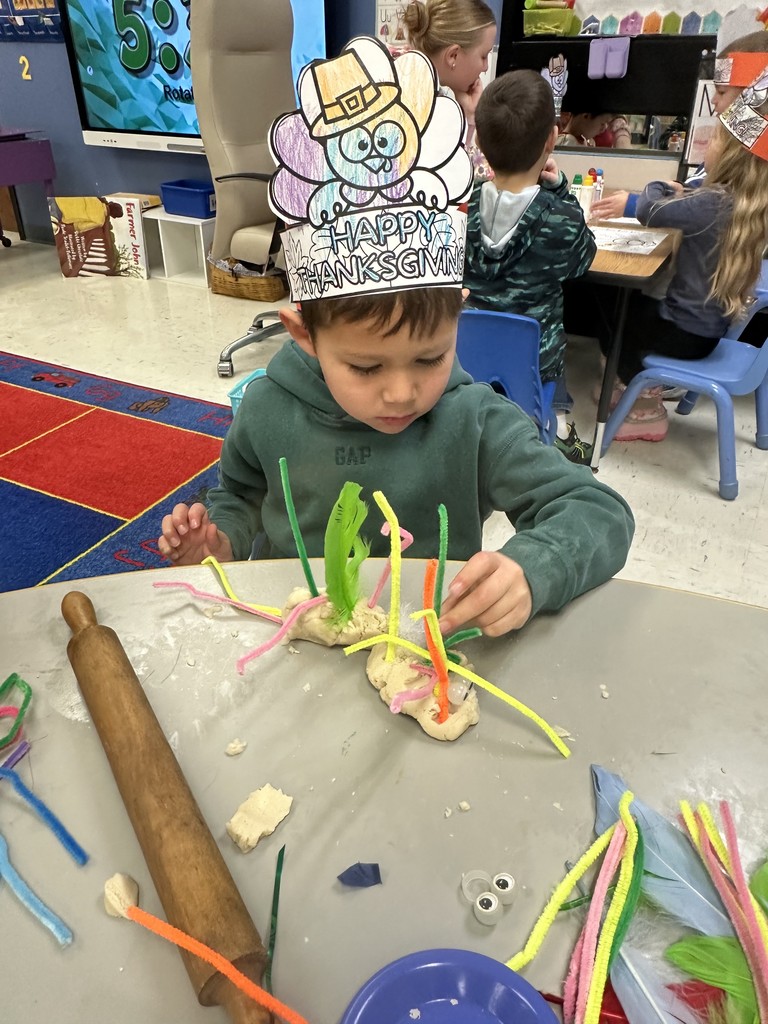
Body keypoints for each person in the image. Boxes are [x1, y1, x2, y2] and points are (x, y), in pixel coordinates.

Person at [158, 33, 633, 639]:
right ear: (303, 335)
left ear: (458, 317)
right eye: (366, 367)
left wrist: (533, 568)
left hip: (423, 662)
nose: (403, 393)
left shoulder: (475, 422)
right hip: (291, 649)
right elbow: (244, 494)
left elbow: (599, 512)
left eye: (430, 357)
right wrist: (220, 539)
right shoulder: (268, 409)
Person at [600, 86, 768, 442]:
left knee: (617, 313)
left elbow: (649, 210)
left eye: (714, 143)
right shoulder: (745, 204)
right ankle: (637, 389)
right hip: (707, 332)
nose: (706, 148)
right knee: (637, 305)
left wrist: (660, 185)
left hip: (683, 335)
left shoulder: (712, 202)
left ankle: (644, 408)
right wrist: (685, 194)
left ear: (730, 158)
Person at [463, 70, 597, 464]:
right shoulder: (559, 216)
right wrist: (560, 191)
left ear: (482, 143)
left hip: (466, 352)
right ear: (552, 139)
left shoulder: (462, 206)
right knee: (545, 383)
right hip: (536, 361)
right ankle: (548, 444)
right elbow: (582, 260)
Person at [590, 31, 768, 221]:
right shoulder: (732, 152)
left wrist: (636, 203)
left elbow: (701, 204)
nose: (714, 100)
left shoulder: (746, 165)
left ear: (754, 99)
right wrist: (680, 189)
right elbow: (699, 185)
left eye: (722, 92)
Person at [401, 0, 497, 169]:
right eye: (483, 56)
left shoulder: (424, 87)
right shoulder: (411, 103)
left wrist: (470, 115)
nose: (486, 67)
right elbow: (450, 176)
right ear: (453, 56)